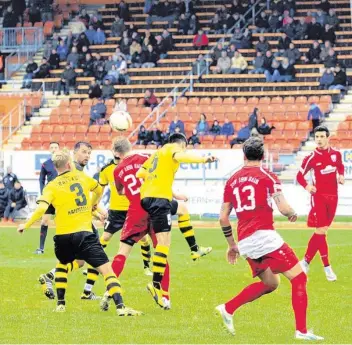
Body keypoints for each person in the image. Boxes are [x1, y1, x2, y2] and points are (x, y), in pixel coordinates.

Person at [216, 137, 324, 341]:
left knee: (271, 283)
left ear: (244, 155)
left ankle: (228, 308)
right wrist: (292, 212)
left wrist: (232, 246)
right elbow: (283, 207)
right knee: (299, 277)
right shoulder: (268, 176)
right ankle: (301, 331)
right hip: (264, 237)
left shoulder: (232, 180)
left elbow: (223, 217)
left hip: (246, 242)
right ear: (263, 155)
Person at [17, 150, 142, 316]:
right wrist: (92, 204)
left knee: (62, 265)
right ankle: (121, 307)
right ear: (69, 164)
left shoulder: (51, 186)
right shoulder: (82, 177)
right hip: (84, 234)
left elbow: (41, 208)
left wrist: (26, 224)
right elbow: (99, 190)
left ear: (55, 168)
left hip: (62, 237)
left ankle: (61, 304)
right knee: (107, 271)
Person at [136, 133, 217, 308]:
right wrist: (205, 160)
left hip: (149, 198)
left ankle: (195, 249)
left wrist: (172, 192)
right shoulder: (174, 149)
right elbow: (181, 156)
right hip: (158, 200)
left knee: (182, 209)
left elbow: (140, 173)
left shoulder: (157, 154)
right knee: (163, 244)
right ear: (182, 144)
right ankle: (156, 285)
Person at [296, 126, 344, 281]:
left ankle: (306, 261)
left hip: (333, 197)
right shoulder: (311, 157)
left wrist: (341, 175)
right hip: (319, 197)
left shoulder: (336, 155)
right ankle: (327, 268)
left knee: (321, 232)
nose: (319, 139)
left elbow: (340, 166)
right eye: (317, 137)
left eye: (322, 136)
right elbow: (299, 175)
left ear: (328, 137)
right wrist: (308, 186)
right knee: (321, 230)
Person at [98, 145, 152, 275]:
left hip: (132, 208)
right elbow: (101, 190)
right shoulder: (106, 169)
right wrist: (98, 208)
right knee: (104, 237)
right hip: (115, 211)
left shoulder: (130, 165)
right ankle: (96, 264)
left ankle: (146, 267)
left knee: (144, 239)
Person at [34, 142, 60, 255]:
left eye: (56, 147)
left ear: (59, 149)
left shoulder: (64, 163)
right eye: (52, 148)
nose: (54, 149)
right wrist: (43, 193)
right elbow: (41, 180)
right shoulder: (45, 164)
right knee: (44, 221)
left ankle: (68, 248)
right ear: (49, 150)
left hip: (62, 197)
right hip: (50, 197)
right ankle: (41, 248)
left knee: (63, 222)